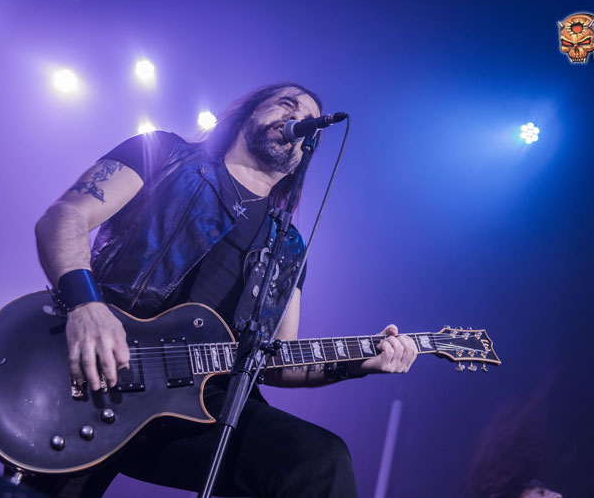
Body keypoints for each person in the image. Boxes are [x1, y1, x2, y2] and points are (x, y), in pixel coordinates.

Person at [30, 82, 419, 497]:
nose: (298, 119)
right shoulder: (164, 154)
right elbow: (65, 216)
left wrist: (360, 363)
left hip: (196, 407)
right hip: (96, 367)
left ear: (304, 154)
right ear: (249, 111)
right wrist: (86, 306)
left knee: (319, 460)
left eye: (310, 122)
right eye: (286, 105)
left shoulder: (288, 247)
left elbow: (277, 361)